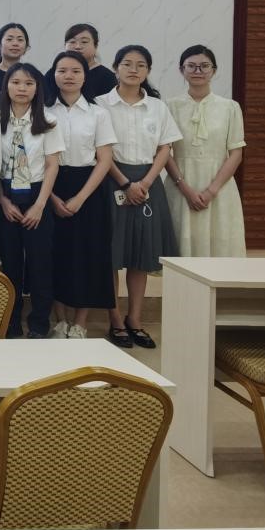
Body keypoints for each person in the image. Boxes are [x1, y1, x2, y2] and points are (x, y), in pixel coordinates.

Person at [99, 45, 181, 350]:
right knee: (111, 255)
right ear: (116, 68)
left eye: (141, 65)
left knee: (140, 255)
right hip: (111, 181)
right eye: (127, 64)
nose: (133, 70)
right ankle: (115, 320)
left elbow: (165, 148)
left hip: (148, 184)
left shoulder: (157, 107)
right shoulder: (100, 105)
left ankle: (135, 319)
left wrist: (145, 182)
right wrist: (125, 183)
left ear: (148, 71)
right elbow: (100, 151)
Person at [46, 50, 118, 341]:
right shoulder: (44, 111)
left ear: (85, 76)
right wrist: (51, 197)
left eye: (75, 71)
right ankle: (60, 321)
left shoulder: (98, 113)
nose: (69, 76)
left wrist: (80, 198)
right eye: (62, 70)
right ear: (53, 75)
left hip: (89, 188)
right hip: (50, 185)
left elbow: (105, 159)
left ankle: (80, 323)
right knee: (55, 255)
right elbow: (39, 159)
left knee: (88, 255)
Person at [0, 63, 64, 338]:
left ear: (37, 88)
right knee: (10, 264)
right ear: (6, 87)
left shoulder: (48, 121)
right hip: (6, 194)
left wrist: (40, 205)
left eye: (29, 83)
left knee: (40, 263)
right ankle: (10, 323)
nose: (22, 88)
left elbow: (52, 165)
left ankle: (39, 324)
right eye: (16, 82)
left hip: (37, 194)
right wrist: (2, 200)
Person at [165, 45, 246, 257]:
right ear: (181, 70)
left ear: (214, 70)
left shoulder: (230, 107)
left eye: (204, 66)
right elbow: (165, 152)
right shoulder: (169, 107)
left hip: (220, 186)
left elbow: (236, 153)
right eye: (191, 66)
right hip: (181, 185)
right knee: (180, 243)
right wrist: (185, 189)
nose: (198, 71)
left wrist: (211, 191)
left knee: (221, 242)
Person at [47, 23, 117, 101]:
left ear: (96, 46)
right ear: (65, 45)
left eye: (84, 42)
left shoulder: (107, 77)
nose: (78, 47)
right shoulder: (53, 73)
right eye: (72, 42)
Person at [0, 22, 33, 106]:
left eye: (20, 40)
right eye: (9, 39)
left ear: (26, 47)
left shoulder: (32, 75)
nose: (15, 43)